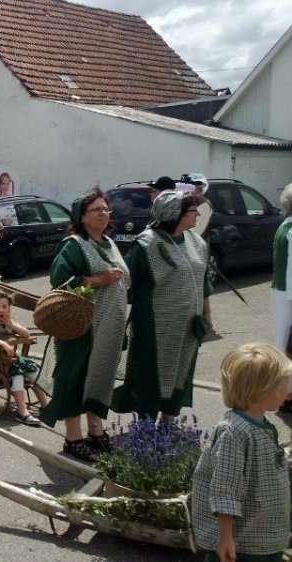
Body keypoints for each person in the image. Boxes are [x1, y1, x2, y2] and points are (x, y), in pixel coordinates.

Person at [40, 188, 129, 462]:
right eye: (97, 210)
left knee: (100, 377)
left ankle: (96, 430)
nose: (103, 213)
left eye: (106, 209)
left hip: (108, 328)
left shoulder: (109, 243)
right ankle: (73, 437)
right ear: (82, 216)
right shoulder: (74, 245)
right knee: (74, 377)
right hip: (80, 326)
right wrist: (98, 280)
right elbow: (60, 282)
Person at [112, 191, 212, 421]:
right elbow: (126, 284)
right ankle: (145, 427)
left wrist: (207, 314)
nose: (198, 213)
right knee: (151, 374)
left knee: (180, 372)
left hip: (188, 327)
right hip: (154, 327)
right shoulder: (148, 244)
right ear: (174, 214)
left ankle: (168, 424)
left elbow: (203, 282)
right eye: (192, 210)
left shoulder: (196, 242)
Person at [191, 343, 291, 562]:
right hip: (243, 543)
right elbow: (226, 489)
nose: (289, 391)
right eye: (284, 385)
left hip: (264, 535)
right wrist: (225, 539)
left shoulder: (260, 423)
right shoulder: (234, 432)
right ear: (262, 391)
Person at [0, 292, 49, 426]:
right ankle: (22, 412)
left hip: (11, 359)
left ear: (9, 308)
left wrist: (12, 324)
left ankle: (45, 406)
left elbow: (26, 334)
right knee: (18, 375)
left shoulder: (8, 323)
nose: (1, 310)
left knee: (33, 371)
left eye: (4, 306)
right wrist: (3, 343)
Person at [270, 182, 292, 412]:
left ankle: (285, 395)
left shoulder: (285, 226)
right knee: (287, 347)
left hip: (282, 293)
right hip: (288, 295)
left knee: (282, 345)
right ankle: (287, 396)